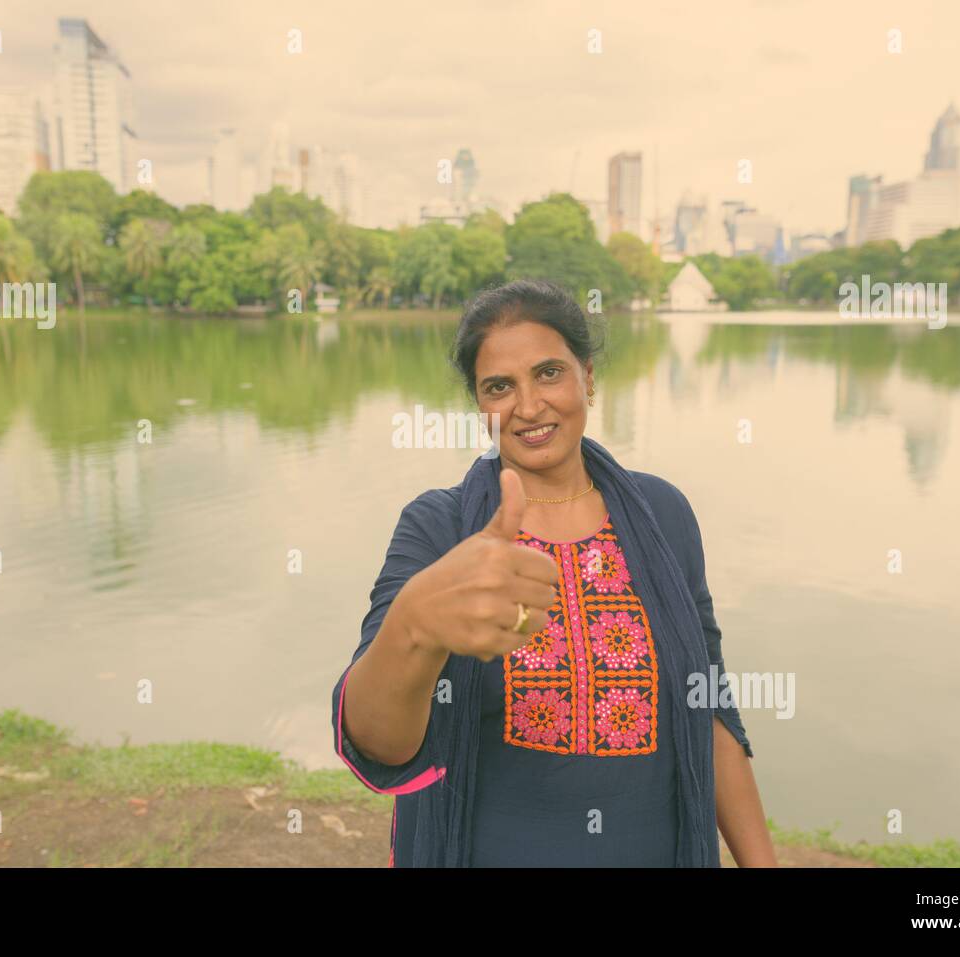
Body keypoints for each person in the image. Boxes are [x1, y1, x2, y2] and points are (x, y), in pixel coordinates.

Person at [332, 279, 775, 867]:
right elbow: (378, 742)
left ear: (587, 376)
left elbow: (710, 708)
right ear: (479, 405)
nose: (530, 405)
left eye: (548, 373)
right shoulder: (439, 530)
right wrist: (415, 625)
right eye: (499, 387)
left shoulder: (662, 514)